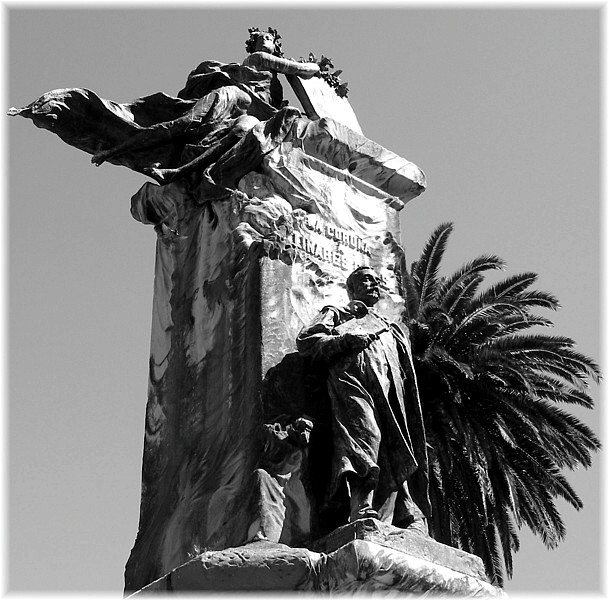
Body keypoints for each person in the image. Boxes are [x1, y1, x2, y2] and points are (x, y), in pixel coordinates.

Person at [296, 266, 431, 526]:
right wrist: (345, 340)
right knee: (366, 436)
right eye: (367, 280)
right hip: (351, 383)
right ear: (352, 288)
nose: (374, 285)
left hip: (390, 394)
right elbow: (307, 341)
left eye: (376, 281)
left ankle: (402, 513)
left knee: (393, 448)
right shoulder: (338, 314)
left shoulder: (390, 327)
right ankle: (361, 506)